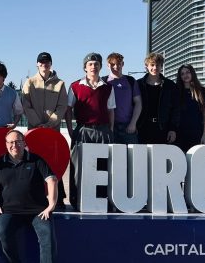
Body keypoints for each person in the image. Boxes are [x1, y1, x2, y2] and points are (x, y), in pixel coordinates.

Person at [0, 129, 60, 263]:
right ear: (6, 145)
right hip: (9, 211)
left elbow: (52, 179)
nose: (14, 145)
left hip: (38, 211)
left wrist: (51, 205)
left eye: (18, 142)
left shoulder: (36, 160)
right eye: (11, 142)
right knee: (2, 230)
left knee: (47, 235)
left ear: (24, 143)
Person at [65, 52, 115, 210]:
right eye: (90, 64)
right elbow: (68, 109)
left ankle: (101, 200)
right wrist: (70, 129)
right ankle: (77, 199)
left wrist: (110, 130)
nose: (93, 66)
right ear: (85, 67)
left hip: (103, 131)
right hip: (83, 130)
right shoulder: (75, 86)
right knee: (79, 167)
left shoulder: (108, 87)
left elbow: (111, 110)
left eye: (96, 64)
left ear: (100, 67)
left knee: (103, 167)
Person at [22, 51, 68, 205]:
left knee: (53, 162)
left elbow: (62, 107)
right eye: (41, 62)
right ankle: (34, 197)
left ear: (51, 64)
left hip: (52, 132)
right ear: (37, 64)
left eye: (47, 62)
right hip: (34, 132)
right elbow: (26, 105)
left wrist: (49, 124)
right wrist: (37, 124)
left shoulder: (60, 84)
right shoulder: (29, 82)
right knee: (34, 163)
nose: (44, 64)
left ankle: (58, 197)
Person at [136, 52, 179, 145]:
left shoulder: (169, 85)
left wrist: (173, 129)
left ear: (161, 67)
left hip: (163, 128)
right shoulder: (138, 84)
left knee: (160, 158)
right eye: (152, 65)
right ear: (146, 66)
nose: (155, 68)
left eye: (158, 65)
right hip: (143, 127)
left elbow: (176, 109)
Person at [103, 52, 141, 144]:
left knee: (132, 157)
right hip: (109, 127)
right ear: (108, 65)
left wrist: (133, 123)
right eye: (113, 64)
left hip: (128, 127)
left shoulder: (130, 81)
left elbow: (138, 103)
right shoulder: (103, 82)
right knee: (111, 157)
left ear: (122, 64)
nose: (116, 66)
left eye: (118, 64)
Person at [175, 65, 205, 152]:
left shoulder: (203, 91)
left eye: (188, 72)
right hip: (179, 134)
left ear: (192, 73)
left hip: (197, 133)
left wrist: (204, 135)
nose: (185, 75)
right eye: (182, 74)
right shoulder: (175, 91)